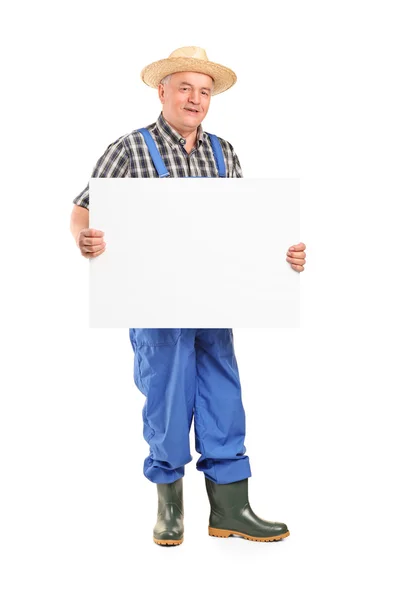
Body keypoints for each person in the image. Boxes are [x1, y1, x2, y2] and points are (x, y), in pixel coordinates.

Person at [70, 46, 307, 546]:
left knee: (224, 396)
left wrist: (280, 258)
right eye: (185, 88)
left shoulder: (225, 152)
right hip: (153, 304)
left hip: (215, 301)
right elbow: (83, 210)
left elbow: (243, 229)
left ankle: (230, 509)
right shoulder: (129, 148)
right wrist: (84, 237)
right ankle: (170, 509)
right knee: (168, 398)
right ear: (162, 91)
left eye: (204, 91)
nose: (195, 99)